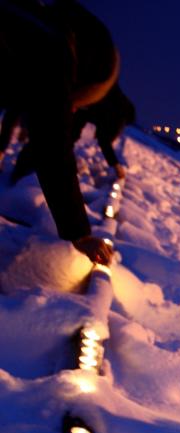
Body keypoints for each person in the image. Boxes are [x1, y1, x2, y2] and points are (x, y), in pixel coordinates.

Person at [0, 0, 119, 265]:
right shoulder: (53, 48)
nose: (73, 107)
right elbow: (52, 143)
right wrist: (79, 232)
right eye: (77, 98)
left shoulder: (36, 28)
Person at [12, 83, 135, 183]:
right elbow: (104, 140)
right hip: (73, 101)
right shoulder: (117, 112)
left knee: (61, 137)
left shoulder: (113, 97)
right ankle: (25, 175)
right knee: (53, 136)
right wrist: (115, 164)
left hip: (79, 105)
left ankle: (27, 172)